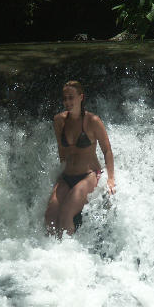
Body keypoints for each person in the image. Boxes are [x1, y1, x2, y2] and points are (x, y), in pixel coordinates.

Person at [45, 80, 116, 238]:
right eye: (65, 98)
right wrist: (60, 176)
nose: (67, 102)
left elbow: (107, 150)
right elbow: (61, 149)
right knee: (50, 215)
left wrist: (110, 179)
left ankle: (68, 256)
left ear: (80, 97)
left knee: (65, 214)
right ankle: (49, 254)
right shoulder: (59, 121)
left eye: (71, 97)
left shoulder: (93, 121)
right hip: (67, 176)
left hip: (88, 175)